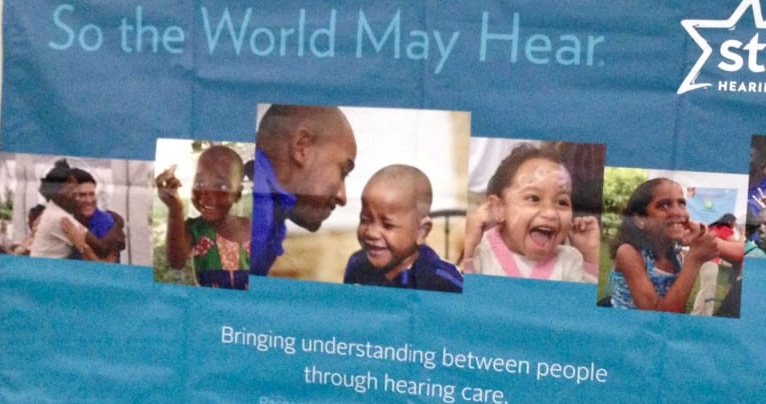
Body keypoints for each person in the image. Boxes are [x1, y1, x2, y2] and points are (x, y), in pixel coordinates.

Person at [463, 142, 599, 282]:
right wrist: (468, 244)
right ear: (499, 208)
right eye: (534, 198)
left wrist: (590, 255)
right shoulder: (481, 253)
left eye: (561, 202)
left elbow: (584, 296)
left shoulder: (570, 261)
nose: (550, 213)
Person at [250, 105, 357, 275]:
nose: (342, 197)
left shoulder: (270, 208)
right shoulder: (255, 207)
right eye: (343, 171)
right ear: (302, 147)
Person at [343, 164, 462, 292]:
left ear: (421, 231)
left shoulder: (440, 280)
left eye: (387, 225)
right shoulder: (358, 265)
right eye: (365, 220)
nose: (371, 233)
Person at [605, 178, 719, 312]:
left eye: (681, 203)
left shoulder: (677, 256)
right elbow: (656, 313)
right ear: (640, 219)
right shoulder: (629, 253)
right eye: (664, 205)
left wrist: (700, 233)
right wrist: (694, 260)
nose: (678, 212)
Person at [156, 145, 251, 290]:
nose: (207, 194)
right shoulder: (195, 230)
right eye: (199, 183)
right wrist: (175, 209)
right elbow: (176, 262)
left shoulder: (252, 228)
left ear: (237, 194)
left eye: (221, 186)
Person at [29, 159, 89, 259]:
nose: (75, 192)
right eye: (70, 188)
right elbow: (98, 245)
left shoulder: (54, 209)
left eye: (75, 187)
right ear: (56, 192)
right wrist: (116, 221)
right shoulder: (59, 217)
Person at [69, 168, 125, 262]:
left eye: (92, 194)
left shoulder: (105, 221)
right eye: (82, 195)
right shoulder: (64, 218)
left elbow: (108, 266)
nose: (89, 200)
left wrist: (84, 248)